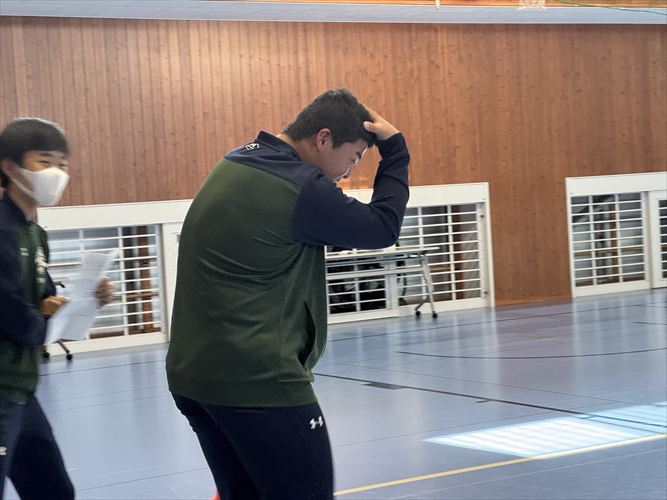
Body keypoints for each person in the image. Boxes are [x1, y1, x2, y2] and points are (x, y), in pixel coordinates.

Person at [166, 88, 410, 500]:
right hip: (258, 382)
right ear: (323, 138)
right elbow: (383, 228)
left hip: (194, 377)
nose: (347, 173)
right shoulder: (300, 185)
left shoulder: (236, 161)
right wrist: (396, 153)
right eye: (352, 158)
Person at [0, 117, 112, 499]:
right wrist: (45, 316)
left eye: (62, 164)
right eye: (44, 161)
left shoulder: (35, 232)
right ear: (9, 166)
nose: (56, 173)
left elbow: (47, 306)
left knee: (52, 489)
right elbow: (19, 318)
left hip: (20, 388)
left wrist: (89, 300)